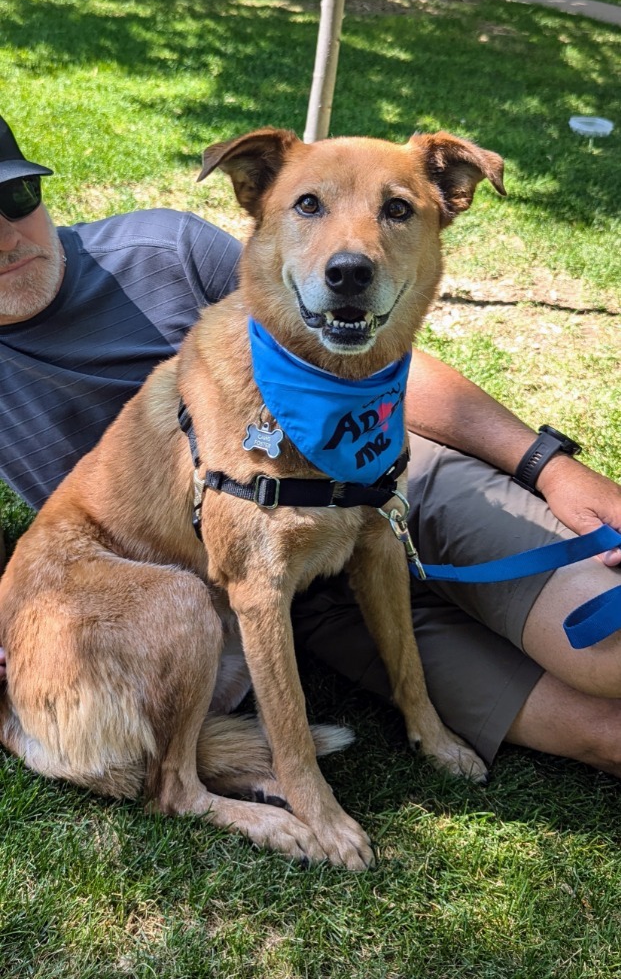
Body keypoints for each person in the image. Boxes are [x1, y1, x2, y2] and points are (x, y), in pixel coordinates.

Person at [1, 115, 620, 777]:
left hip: (392, 469)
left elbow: (381, 362)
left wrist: (544, 464)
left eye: (15, 199)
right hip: (287, 591)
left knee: (609, 653)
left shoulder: (163, 250)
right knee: (606, 734)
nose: (6, 239)